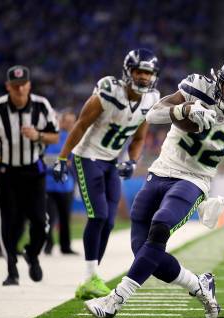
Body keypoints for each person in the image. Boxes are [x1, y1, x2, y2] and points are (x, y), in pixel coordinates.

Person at [84, 55, 224, 318]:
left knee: (160, 227)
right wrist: (183, 111)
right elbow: (153, 114)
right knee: (145, 253)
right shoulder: (198, 87)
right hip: (159, 171)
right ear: (219, 80)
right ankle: (199, 285)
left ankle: (116, 299)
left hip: (194, 180)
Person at [52, 49, 160, 299]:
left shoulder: (150, 100)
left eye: (148, 73)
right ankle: (90, 277)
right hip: (87, 155)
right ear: (128, 72)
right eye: (139, 71)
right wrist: (62, 157)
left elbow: (140, 138)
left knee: (110, 222)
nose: (144, 77)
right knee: (98, 215)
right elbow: (80, 125)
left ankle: (91, 277)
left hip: (110, 160)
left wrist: (132, 161)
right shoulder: (109, 91)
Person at [0, 65, 59, 285]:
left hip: (33, 171)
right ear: (8, 86)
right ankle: (11, 269)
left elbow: (55, 137)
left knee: (40, 221)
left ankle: (32, 253)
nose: (20, 90)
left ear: (29, 85)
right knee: (9, 222)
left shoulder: (41, 105)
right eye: (15, 86)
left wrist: (38, 135)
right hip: (6, 172)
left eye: (23, 85)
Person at [44, 110, 77, 255]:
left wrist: (64, 163)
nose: (69, 124)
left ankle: (65, 246)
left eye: (72, 122)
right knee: (48, 218)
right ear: (61, 121)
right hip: (49, 185)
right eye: (67, 121)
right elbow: (45, 159)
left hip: (66, 185)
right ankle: (48, 245)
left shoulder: (77, 139)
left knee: (65, 218)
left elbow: (75, 162)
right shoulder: (52, 138)